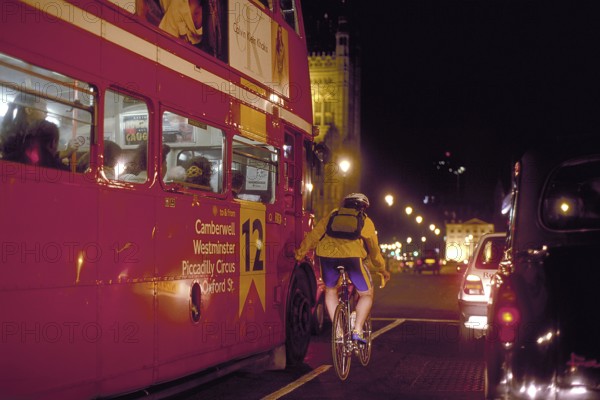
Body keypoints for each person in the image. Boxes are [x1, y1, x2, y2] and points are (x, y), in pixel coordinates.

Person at [294, 193, 390, 343]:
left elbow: (314, 235)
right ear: (364, 207)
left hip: (326, 256)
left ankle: (338, 332)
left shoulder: (333, 214)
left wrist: (300, 254)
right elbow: (374, 250)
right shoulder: (365, 220)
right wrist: (381, 269)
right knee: (366, 295)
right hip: (352, 258)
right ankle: (357, 330)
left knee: (330, 290)